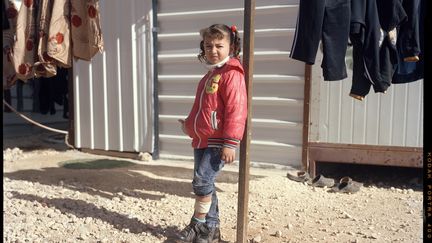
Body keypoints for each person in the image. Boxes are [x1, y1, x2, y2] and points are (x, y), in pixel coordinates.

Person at [176, 24, 247, 243]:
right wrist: (189, 125)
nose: (213, 50)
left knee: (201, 182)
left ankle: (197, 224)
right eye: (208, 46)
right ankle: (212, 229)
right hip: (203, 139)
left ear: (232, 46)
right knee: (207, 184)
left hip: (219, 139)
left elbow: (237, 108)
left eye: (219, 45)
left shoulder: (232, 73)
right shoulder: (212, 74)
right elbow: (202, 109)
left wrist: (231, 142)